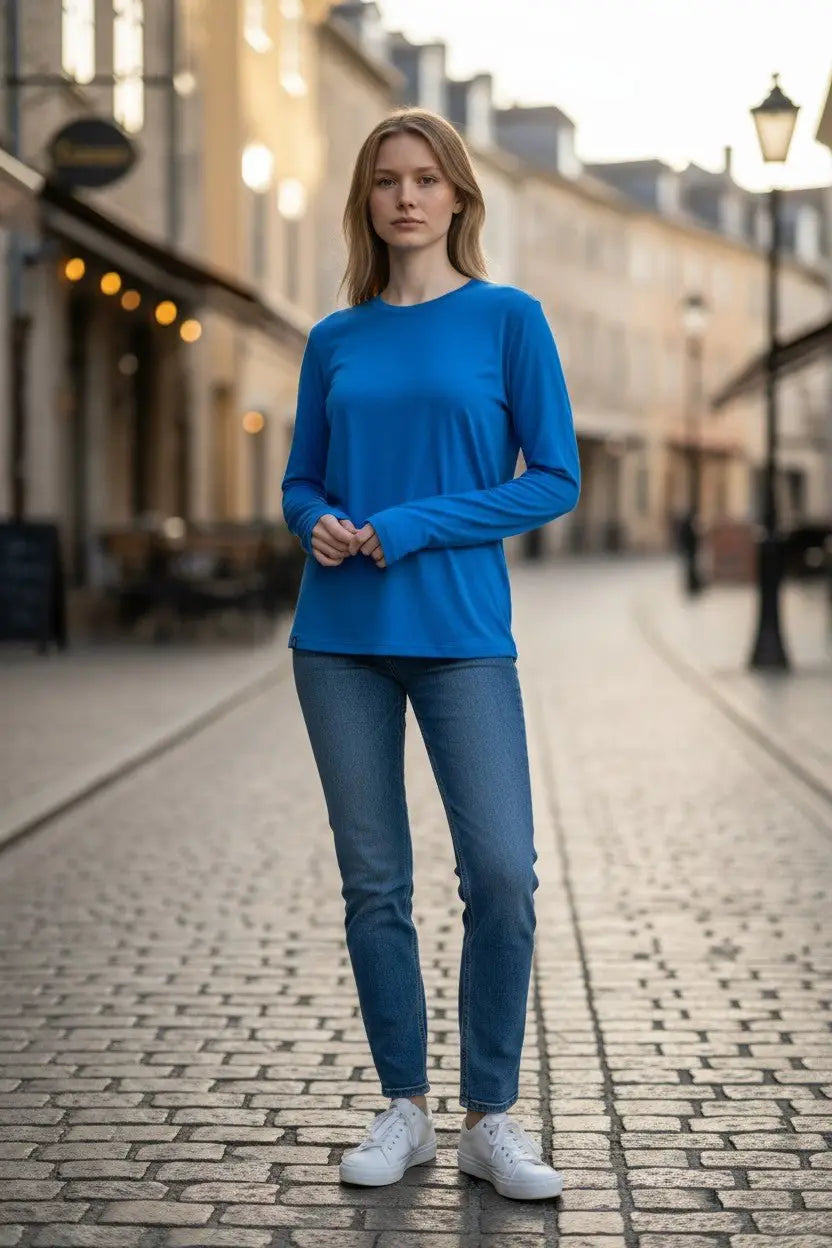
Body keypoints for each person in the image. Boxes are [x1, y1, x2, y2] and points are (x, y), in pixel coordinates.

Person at [281, 108, 580, 1202]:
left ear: (457, 196)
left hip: (460, 637)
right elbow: (300, 478)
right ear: (366, 202)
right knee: (375, 887)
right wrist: (307, 519)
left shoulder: (508, 321)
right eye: (384, 181)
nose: (405, 197)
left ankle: (487, 1117)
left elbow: (552, 478)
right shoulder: (336, 338)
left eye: (425, 179)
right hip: (338, 641)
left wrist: (404, 525)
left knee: (501, 876)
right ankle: (403, 1106)